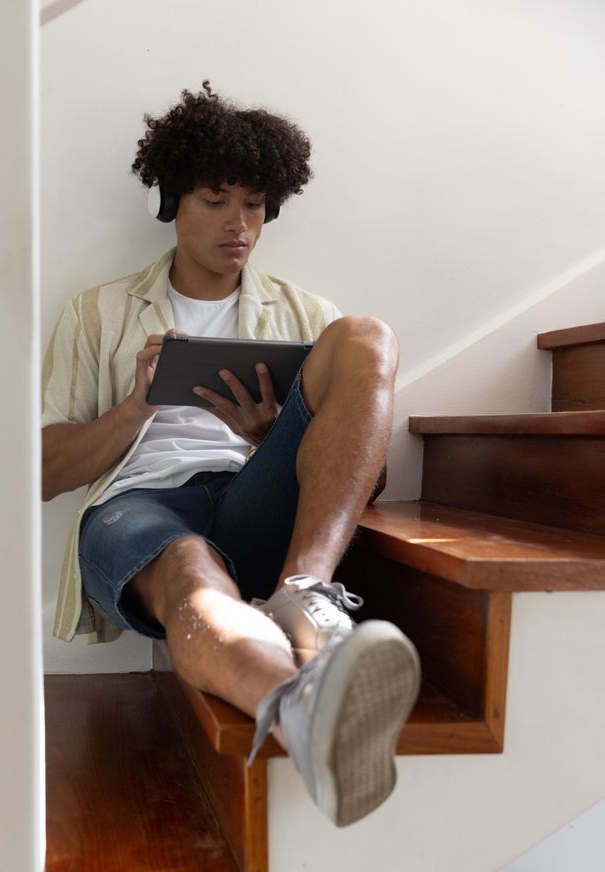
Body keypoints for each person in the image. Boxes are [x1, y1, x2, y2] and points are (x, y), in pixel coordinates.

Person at [41, 82, 420, 827]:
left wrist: (271, 438)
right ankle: (303, 708)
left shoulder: (308, 316)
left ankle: (306, 592)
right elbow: (44, 471)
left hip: (254, 496)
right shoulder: (99, 311)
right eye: (215, 199)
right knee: (190, 570)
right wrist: (137, 405)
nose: (237, 223)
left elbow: (366, 482)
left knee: (366, 335)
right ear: (173, 204)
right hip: (140, 507)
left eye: (253, 204)